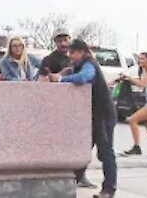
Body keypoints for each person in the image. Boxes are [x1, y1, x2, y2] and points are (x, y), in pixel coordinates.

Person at [49, 39, 117, 198]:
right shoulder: (78, 65)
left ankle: (109, 189)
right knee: (82, 149)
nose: (70, 56)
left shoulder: (89, 64)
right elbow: (73, 73)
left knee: (106, 153)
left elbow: (83, 78)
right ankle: (73, 182)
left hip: (103, 115)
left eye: (72, 52)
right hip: (93, 116)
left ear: (81, 52)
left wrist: (60, 80)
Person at [38, 27, 96, 188]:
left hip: (80, 107)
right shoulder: (48, 60)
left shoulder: (79, 59)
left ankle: (80, 175)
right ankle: (54, 175)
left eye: (65, 39)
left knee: (82, 142)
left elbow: (86, 77)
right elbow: (42, 82)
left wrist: (63, 76)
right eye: (59, 40)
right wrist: (55, 78)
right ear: (55, 42)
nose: (63, 43)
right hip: (58, 106)